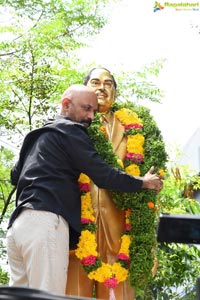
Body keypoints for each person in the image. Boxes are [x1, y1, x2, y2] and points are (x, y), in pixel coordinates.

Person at [6, 84, 162, 297]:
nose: (90, 116)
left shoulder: (37, 135)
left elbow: (15, 176)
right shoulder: (70, 130)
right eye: (86, 108)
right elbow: (103, 175)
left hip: (18, 227)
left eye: (94, 111)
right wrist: (143, 182)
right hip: (46, 223)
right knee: (47, 295)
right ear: (66, 104)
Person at [66, 70, 164, 299]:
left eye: (108, 83)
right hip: (77, 223)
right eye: (95, 82)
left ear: (115, 93)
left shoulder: (135, 127)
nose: (102, 87)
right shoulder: (70, 124)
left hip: (120, 224)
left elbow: (152, 171)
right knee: (72, 291)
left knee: (118, 292)